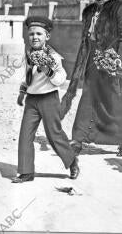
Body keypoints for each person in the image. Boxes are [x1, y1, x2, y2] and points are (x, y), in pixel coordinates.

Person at [61, 0, 122, 177]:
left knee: (116, 102)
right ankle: (78, 138)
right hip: (94, 60)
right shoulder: (89, 11)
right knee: (89, 98)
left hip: (116, 62)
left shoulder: (118, 9)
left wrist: (115, 57)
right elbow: (87, 38)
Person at [12, 16, 76, 183]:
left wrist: (48, 71)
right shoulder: (29, 53)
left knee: (53, 134)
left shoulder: (53, 56)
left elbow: (61, 78)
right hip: (32, 100)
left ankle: (71, 161)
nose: (35, 37)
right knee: (25, 134)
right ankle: (26, 172)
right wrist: (22, 92)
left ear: (47, 36)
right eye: (31, 33)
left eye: (39, 34)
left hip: (49, 98)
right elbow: (27, 76)